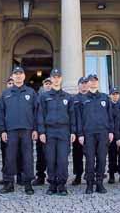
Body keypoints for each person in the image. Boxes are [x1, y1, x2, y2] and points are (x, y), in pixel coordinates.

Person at [0, 66, 37, 195]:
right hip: (11, 131)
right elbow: (0, 113)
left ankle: (28, 184)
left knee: (27, 158)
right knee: (10, 158)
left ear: (24, 76)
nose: (18, 76)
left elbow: (37, 112)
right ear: (12, 77)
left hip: (27, 130)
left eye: (21, 74)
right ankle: (9, 183)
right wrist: (2, 130)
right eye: (16, 74)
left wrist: (36, 129)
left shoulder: (31, 93)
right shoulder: (6, 94)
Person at [36, 68, 74, 196]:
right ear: (51, 79)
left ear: (61, 79)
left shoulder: (68, 97)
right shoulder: (44, 97)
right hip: (49, 131)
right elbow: (40, 115)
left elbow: (72, 115)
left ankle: (62, 185)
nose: (56, 79)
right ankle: (52, 184)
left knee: (63, 159)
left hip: (64, 131)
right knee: (50, 159)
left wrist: (73, 132)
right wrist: (41, 132)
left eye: (58, 77)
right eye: (54, 77)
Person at [76, 73, 114, 194]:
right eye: (90, 81)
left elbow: (110, 116)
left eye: (95, 80)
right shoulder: (82, 99)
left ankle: (99, 183)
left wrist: (111, 131)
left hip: (103, 132)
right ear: (87, 83)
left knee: (102, 159)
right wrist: (80, 134)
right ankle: (89, 184)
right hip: (88, 134)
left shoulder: (104, 97)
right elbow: (79, 119)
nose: (93, 83)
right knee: (90, 160)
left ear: (98, 82)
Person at [33, 77, 52, 186]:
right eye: (46, 83)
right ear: (43, 86)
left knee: (53, 156)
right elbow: (35, 115)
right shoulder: (37, 99)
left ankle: (52, 177)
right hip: (41, 131)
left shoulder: (58, 96)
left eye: (50, 83)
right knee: (41, 156)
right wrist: (36, 130)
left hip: (53, 131)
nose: (48, 85)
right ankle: (40, 176)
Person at [70, 76, 88, 185]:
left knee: (91, 155)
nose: (84, 85)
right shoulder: (73, 99)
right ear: (78, 85)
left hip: (90, 131)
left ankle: (91, 174)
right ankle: (78, 175)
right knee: (77, 156)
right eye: (82, 83)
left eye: (86, 83)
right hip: (77, 132)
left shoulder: (92, 97)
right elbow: (71, 116)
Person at [107, 86, 120, 185]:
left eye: (116, 94)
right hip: (111, 134)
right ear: (110, 95)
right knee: (112, 156)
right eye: (113, 94)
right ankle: (111, 175)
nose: (115, 96)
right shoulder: (108, 106)